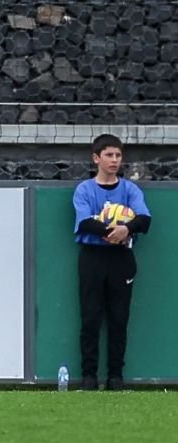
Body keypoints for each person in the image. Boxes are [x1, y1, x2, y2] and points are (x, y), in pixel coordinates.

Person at [73, 134, 151, 391]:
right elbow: (85, 222)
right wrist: (112, 231)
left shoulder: (130, 189)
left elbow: (144, 219)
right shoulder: (85, 189)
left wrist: (126, 230)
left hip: (121, 259)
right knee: (90, 317)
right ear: (96, 158)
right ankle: (88, 377)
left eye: (118, 155)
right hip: (93, 257)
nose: (114, 160)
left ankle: (116, 376)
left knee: (119, 319)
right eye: (109, 155)